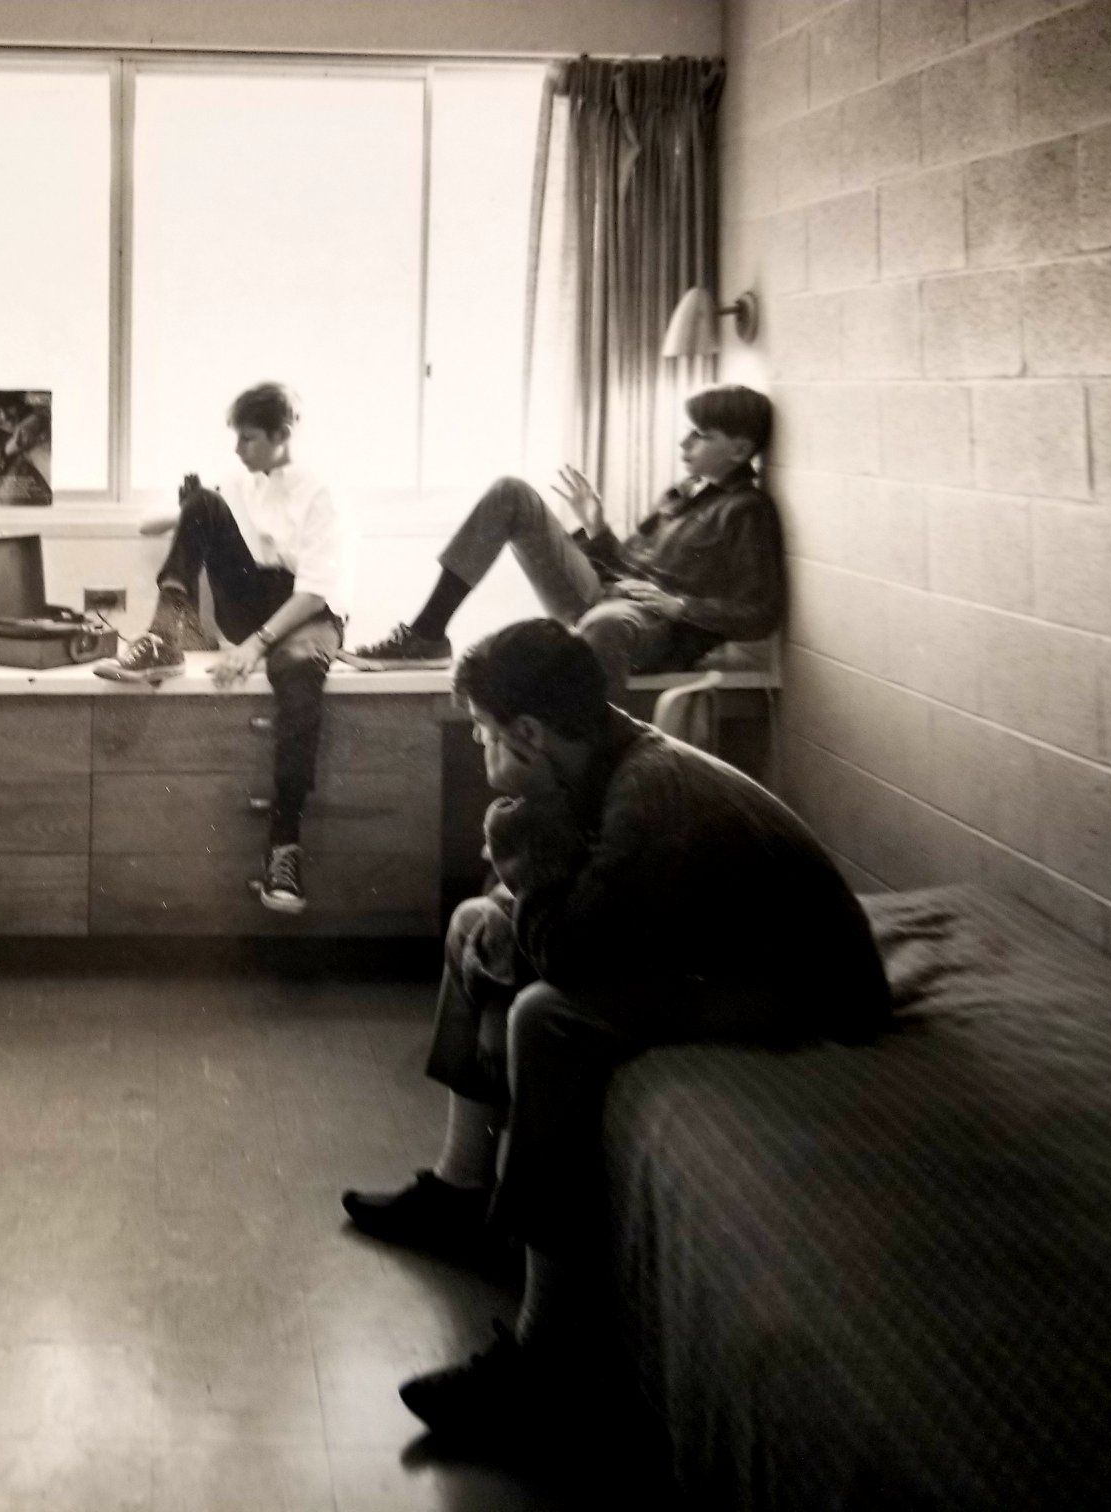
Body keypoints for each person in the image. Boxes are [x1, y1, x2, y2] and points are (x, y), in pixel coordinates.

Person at [341, 620, 889, 1449]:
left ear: (528, 736)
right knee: (475, 919)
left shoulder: (650, 791)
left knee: (548, 1018)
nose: (486, 753)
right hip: (716, 941)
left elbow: (568, 952)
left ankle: (549, 1356)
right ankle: (461, 1191)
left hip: (806, 986)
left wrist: (516, 832)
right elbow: (581, 913)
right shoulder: (603, 757)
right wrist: (505, 905)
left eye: (488, 735)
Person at [97, 382, 356, 914]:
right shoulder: (240, 482)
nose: (238, 449)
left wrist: (257, 646)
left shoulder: (320, 493)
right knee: (204, 501)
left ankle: (285, 844)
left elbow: (315, 590)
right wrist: (189, 507)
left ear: (283, 436)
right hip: (253, 603)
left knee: (301, 673)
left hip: (305, 610)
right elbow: (149, 525)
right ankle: (163, 637)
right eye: (236, 438)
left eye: (250, 439)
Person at [340, 385, 783, 692]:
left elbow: (761, 613)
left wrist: (680, 607)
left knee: (602, 626)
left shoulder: (748, 511)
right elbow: (629, 564)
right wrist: (597, 527)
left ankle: (592, 764)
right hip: (610, 595)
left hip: (657, 631)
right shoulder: (682, 493)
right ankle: (426, 636)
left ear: (740, 451)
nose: (684, 443)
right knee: (510, 492)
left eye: (701, 436)